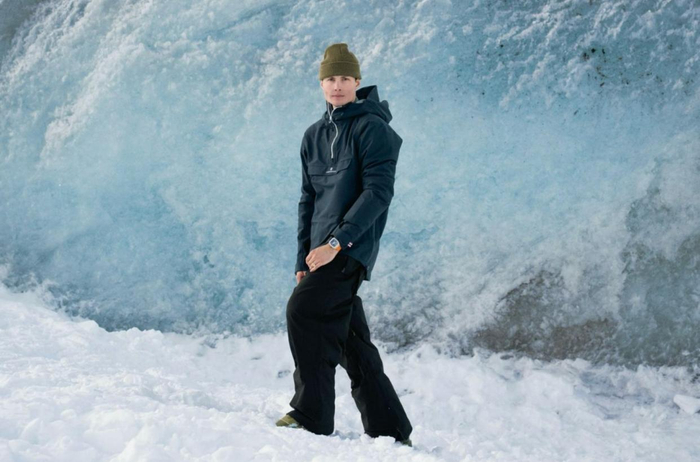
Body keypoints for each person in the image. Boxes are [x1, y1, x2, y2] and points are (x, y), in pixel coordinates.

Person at [275, 43, 413, 446]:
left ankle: (311, 414)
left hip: (350, 246)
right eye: (331, 78)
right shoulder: (313, 135)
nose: (338, 85)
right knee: (351, 339)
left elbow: (378, 193)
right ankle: (391, 428)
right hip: (319, 251)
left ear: (357, 82)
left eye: (345, 78)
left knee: (303, 310)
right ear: (321, 84)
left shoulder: (375, 130)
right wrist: (303, 257)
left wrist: (336, 243)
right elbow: (308, 199)